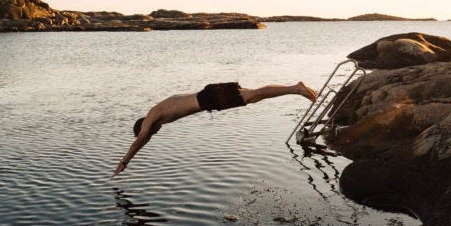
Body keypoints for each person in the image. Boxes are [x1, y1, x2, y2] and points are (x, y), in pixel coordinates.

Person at [113, 81, 317, 177]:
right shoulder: (158, 111)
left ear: (143, 126)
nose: (153, 134)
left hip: (208, 99)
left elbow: (140, 140)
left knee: (254, 96)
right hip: (208, 93)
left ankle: (296, 89)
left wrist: (124, 162)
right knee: (254, 95)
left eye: (150, 132)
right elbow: (145, 138)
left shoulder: (151, 117)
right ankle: (295, 89)